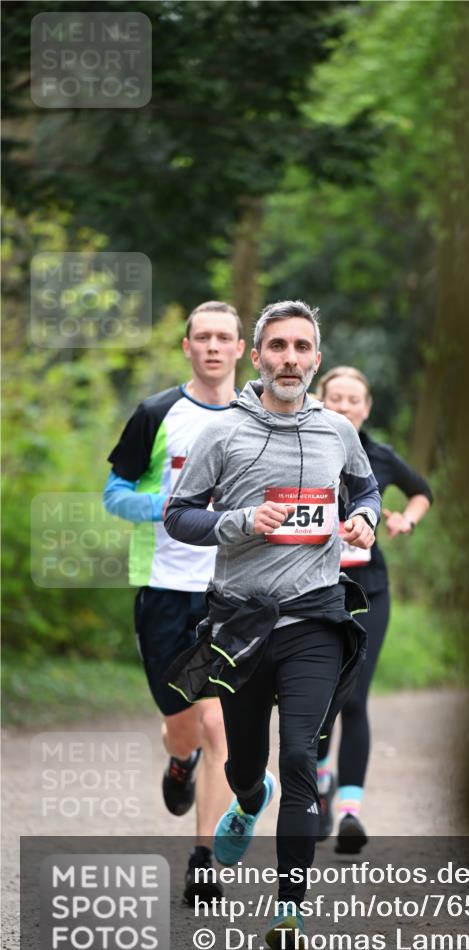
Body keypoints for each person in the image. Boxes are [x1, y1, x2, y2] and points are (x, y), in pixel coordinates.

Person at [163, 299, 381, 950]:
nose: (289, 359)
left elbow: (365, 489)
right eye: (277, 347)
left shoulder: (335, 431)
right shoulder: (222, 434)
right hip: (241, 624)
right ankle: (246, 799)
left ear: (314, 357)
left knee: (299, 760)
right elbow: (179, 516)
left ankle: (288, 912)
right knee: (250, 766)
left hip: (315, 618)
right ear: (256, 357)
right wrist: (239, 522)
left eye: (301, 347)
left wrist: (365, 518)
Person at [103, 300, 244, 905]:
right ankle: (179, 760)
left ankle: (204, 858)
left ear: (243, 349)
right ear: (187, 347)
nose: (213, 346)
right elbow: (114, 493)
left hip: (235, 595)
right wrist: (164, 505)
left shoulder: (263, 418)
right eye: (202, 337)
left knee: (219, 722)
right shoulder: (157, 412)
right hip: (164, 590)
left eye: (224, 338)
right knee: (182, 725)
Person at [315, 366, 433, 852]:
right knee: (320, 700)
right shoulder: (299, 447)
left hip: (370, 590)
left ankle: (349, 814)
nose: (344, 406)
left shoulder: (380, 457)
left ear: (366, 409)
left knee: (356, 698)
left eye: (353, 400)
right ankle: (319, 783)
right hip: (313, 589)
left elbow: (423, 490)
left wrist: (407, 517)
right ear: (320, 400)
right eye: (335, 397)